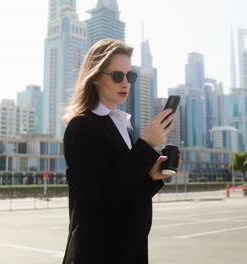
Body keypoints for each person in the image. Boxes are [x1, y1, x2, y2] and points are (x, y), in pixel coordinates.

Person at [61, 38, 180, 264]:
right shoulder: (82, 126)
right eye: (117, 76)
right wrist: (145, 145)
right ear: (95, 77)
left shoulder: (120, 124)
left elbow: (124, 191)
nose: (125, 83)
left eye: (130, 76)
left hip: (127, 250)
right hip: (97, 252)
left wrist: (151, 176)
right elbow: (99, 199)